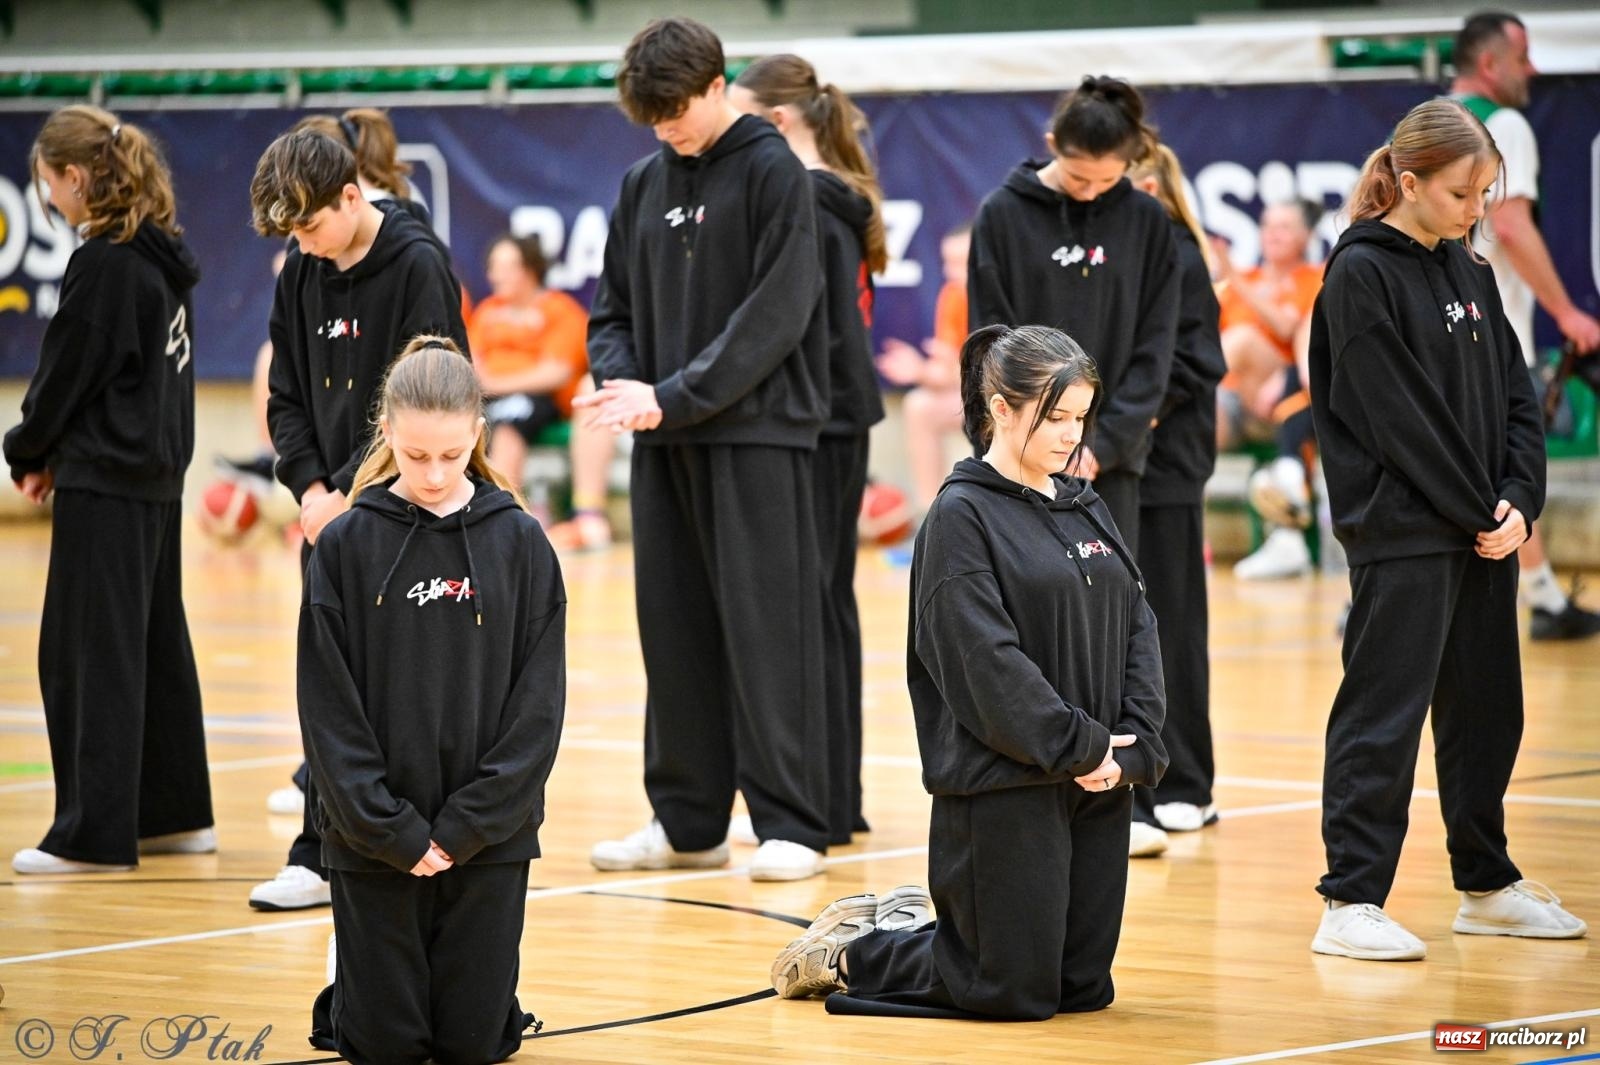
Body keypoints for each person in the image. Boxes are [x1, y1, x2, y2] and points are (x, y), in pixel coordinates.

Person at [769, 324, 1167, 1016]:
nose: (1071, 435)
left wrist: (1132, 741)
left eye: (1079, 417)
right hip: (1005, 780)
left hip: (1096, 777)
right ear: (1001, 407)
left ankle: (922, 922)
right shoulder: (961, 516)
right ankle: (860, 948)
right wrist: (1077, 742)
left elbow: (1138, 623)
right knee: (1007, 991)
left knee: (1082, 989)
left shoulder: (1085, 503)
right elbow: (986, 663)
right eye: (1056, 417)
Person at [1308, 98, 1585, 961]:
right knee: (1382, 715)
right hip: (1404, 534)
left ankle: (1486, 882)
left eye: (1487, 194)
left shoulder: (1468, 269)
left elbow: (1514, 395)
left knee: (1486, 710)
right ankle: (1349, 897)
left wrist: (1518, 500)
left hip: (1482, 531)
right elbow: (1400, 420)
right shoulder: (1359, 276)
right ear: (1411, 180)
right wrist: (1482, 509)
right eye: (1466, 193)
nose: (1479, 210)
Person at [581, 18, 832, 882]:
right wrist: (622, 385)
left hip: (756, 435)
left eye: (677, 110)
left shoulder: (773, 173)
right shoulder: (641, 183)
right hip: (662, 433)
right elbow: (610, 310)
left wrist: (672, 395)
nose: (666, 128)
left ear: (720, 84)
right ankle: (687, 821)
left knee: (769, 632)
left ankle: (792, 821)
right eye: (651, 116)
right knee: (674, 630)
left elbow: (777, 312)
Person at [300, 337, 560, 1063]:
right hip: (373, 841)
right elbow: (327, 709)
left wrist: (467, 826)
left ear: (477, 433)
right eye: (416, 456)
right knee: (385, 1045)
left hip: (489, 840)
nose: (436, 474)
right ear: (386, 434)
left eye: (451, 454)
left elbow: (537, 713)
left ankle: (473, 991)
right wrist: (390, 829)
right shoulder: (347, 545)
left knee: (473, 1045)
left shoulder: (522, 544)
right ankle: (353, 983)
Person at [246, 126, 470, 912]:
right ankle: (318, 848)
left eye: (309, 226)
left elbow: (425, 397)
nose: (302, 244)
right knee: (328, 692)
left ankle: (406, 846)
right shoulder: (302, 271)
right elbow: (287, 396)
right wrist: (308, 487)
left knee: (398, 697)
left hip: (402, 514)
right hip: (327, 518)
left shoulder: (417, 265)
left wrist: (349, 492)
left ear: (351, 195)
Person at [5, 105, 214, 874]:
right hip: (157, 477)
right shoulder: (165, 255)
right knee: (154, 645)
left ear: (76, 176)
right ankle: (173, 812)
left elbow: (68, 373)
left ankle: (93, 834)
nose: (50, 198)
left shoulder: (104, 261)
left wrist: (28, 447)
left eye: (50, 183)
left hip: (107, 482)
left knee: (87, 653)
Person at [730, 53, 888, 845]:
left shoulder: (815, 200)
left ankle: (822, 800)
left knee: (815, 605)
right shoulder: (834, 194)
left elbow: (816, 326)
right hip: (833, 414)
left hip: (820, 418)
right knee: (826, 602)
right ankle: (834, 796)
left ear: (780, 121)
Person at [967, 75, 1179, 558]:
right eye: (1078, 178)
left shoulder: (1145, 220)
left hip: (1109, 462)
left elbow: (1156, 344)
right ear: (1051, 146)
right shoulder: (1002, 214)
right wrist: (1019, 440)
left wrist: (1102, 445)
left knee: (1108, 605)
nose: (1089, 193)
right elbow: (988, 342)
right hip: (1020, 456)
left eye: (1107, 181)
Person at [1451, 10, 1600, 640]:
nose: (1532, 69)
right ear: (1491, 64)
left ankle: (1539, 597)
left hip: (1432, 327)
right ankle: (1538, 601)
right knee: (1507, 466)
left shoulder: (1423, 123)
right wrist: (1566, 312)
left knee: (1473, 470)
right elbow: (1509, 224)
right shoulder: (1504, 124)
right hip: (1486, 331)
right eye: (1522, 56)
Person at [1127, 143, 1226, 856]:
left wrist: (1126, 419)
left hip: (1165, 467)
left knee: (1174, 623)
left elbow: (1193, 363)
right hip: (1109, 464)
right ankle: (1131, 780)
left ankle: (1187, 782)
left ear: (1152, 183)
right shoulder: (1118, 253)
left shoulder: (1183, 258)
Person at [1215, 201, 1327, 581]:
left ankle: (1288, 523)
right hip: (1235, 401)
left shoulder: (1314, 279)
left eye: (1284, 226)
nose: (1273, 234)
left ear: (1305, 237)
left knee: (1243, 341)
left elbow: (1291, 331)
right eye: (1267, 225)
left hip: (1287, 399)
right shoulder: (1237, 282)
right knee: (1195, 420)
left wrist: (1233, 275)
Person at [467, 233, 597, 528]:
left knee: (510, 422)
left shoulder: (560, 309)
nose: (495, 275)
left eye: (506, 266)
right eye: (493, 266)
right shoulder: (488, 311)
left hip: (540, 400)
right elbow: (473, 362)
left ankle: (499, 516)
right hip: (489, 397)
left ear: (530, 270)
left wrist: (494, 384)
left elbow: (556, 372)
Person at [875, 223, 971, 516]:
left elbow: (997, 375)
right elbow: (951, 375)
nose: (953, 272)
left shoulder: (1008, 294)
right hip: (979, 399)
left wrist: (935, 372)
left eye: (963, 263)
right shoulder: (953, 296)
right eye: (948, 262)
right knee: (920, 405)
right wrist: (920, 370)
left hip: (1018, 398)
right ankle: (933, 517)